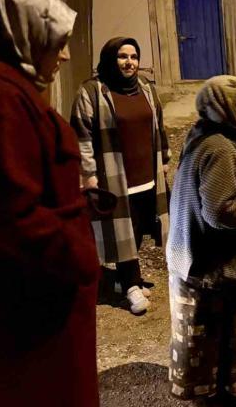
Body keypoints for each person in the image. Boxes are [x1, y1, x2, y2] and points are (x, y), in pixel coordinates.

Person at [0, 0, 100, 406]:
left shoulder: (11, 90)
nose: (65, 55)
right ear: (24, 34)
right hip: (33, 305)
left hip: (42, 296)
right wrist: (79, 255)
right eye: (58, 43)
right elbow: (11, 215)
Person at [167, 75, 236, 406]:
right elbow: (218, 211)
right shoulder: (221, 149)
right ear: (229, 108)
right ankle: (220, 399)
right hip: (215, 266)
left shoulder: (208, 137)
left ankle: (228, 393)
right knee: (219, 337)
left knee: (223, 336)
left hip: (207, 261)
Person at [71, 37, 171, 314]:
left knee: (137, 227)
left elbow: (159, 124)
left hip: (146, 172)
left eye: (134, 57)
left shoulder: (146, 88)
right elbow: (81, 136)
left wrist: (164, 158)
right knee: (122, 228)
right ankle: (130, 285)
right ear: (110, 59)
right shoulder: (92, 91)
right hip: (114, 174)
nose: (129, 62)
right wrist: (88, 173)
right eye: (122, 56)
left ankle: (125, 278)